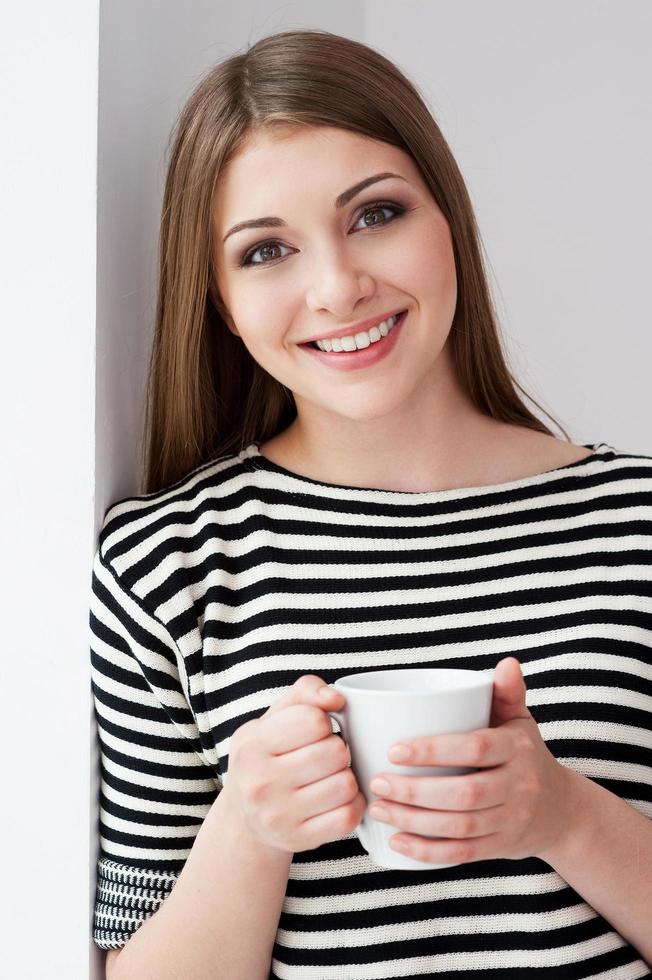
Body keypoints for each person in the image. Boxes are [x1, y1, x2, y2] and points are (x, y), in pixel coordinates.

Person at [90, 28, 652, 980]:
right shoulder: (165, 564)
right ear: (221, 300)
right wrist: (249, 831)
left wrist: (564, 814)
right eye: (266, 250)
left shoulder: (638, 522)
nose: (339, 288)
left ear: (449, 218)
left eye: (374, 214)